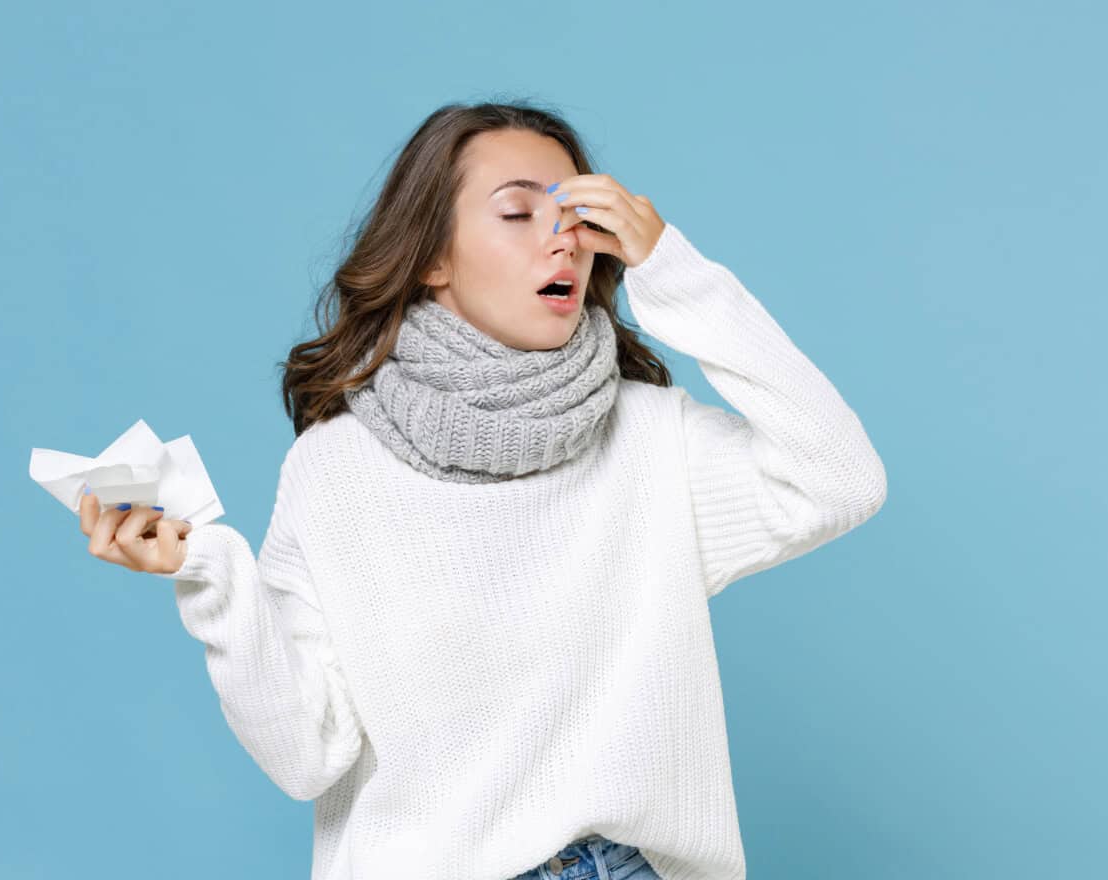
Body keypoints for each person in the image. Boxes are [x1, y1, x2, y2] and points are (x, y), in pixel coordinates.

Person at [77, 101, 888, 880]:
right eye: (518, 213)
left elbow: (840, 479)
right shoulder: (339, 469)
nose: (562, 243)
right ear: (432, 256)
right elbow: (305, 755)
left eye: (577, 217)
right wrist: (210, 573)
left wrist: (673, 269)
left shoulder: (649, 440)